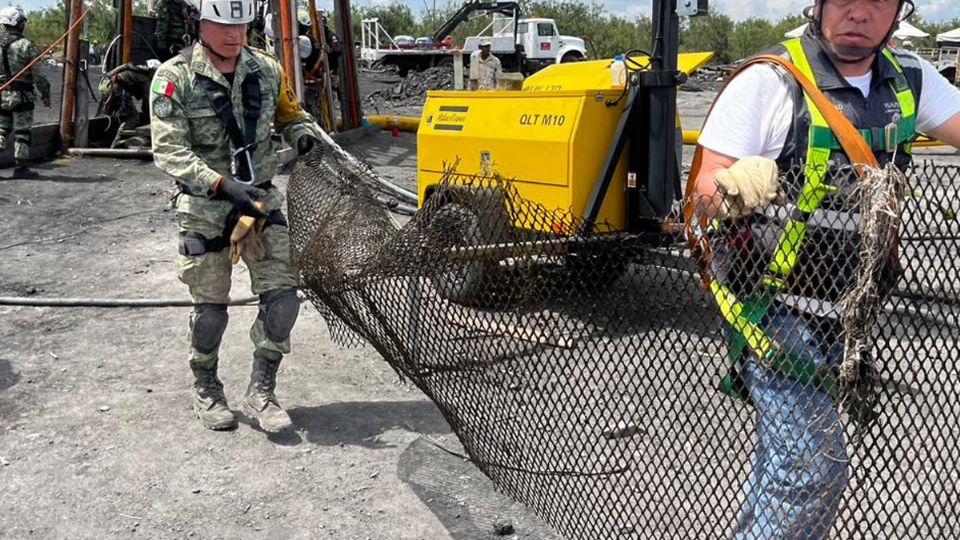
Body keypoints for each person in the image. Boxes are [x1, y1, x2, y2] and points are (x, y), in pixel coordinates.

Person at [691, 0, 960, 537]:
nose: (859, 12)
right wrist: (728, 188)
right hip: (770, 308)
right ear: (818, 4)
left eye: (877, 0)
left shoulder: (910, 80)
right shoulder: (770, 82)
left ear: (898, 12)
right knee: (811, 468)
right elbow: (701, 193)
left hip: (845, 310)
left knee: (784, 463)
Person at [150, 0, 321, 432]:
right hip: (207, 206)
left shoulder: (267, 69)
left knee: (283, 300)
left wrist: (302, 136)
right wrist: (223, 184)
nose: (234, 35)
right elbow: (169, 150)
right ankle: (206, 387)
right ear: (198, 23)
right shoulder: (174, 77)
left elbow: (291, 115)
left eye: (241, 25)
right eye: (222, 25)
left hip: (261, 201)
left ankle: (262, 390)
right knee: (210, 311)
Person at [0, 6, 50, 179]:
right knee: (22, 132)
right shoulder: (27, 45)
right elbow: (39, 76)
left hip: (1, 94)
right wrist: (45, 94)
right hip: (22, 96)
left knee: (1, 129)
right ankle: (20, 168)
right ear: (18, 23)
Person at [98, 59, 160, 148]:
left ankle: (111, 139)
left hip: (105, 85)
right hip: (114, 90)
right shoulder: (144, 78)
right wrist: (149, 115)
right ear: (153, 70)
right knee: (134, 117)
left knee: (122, 114)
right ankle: (117, 141)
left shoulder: (134, 69)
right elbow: (147, 101)